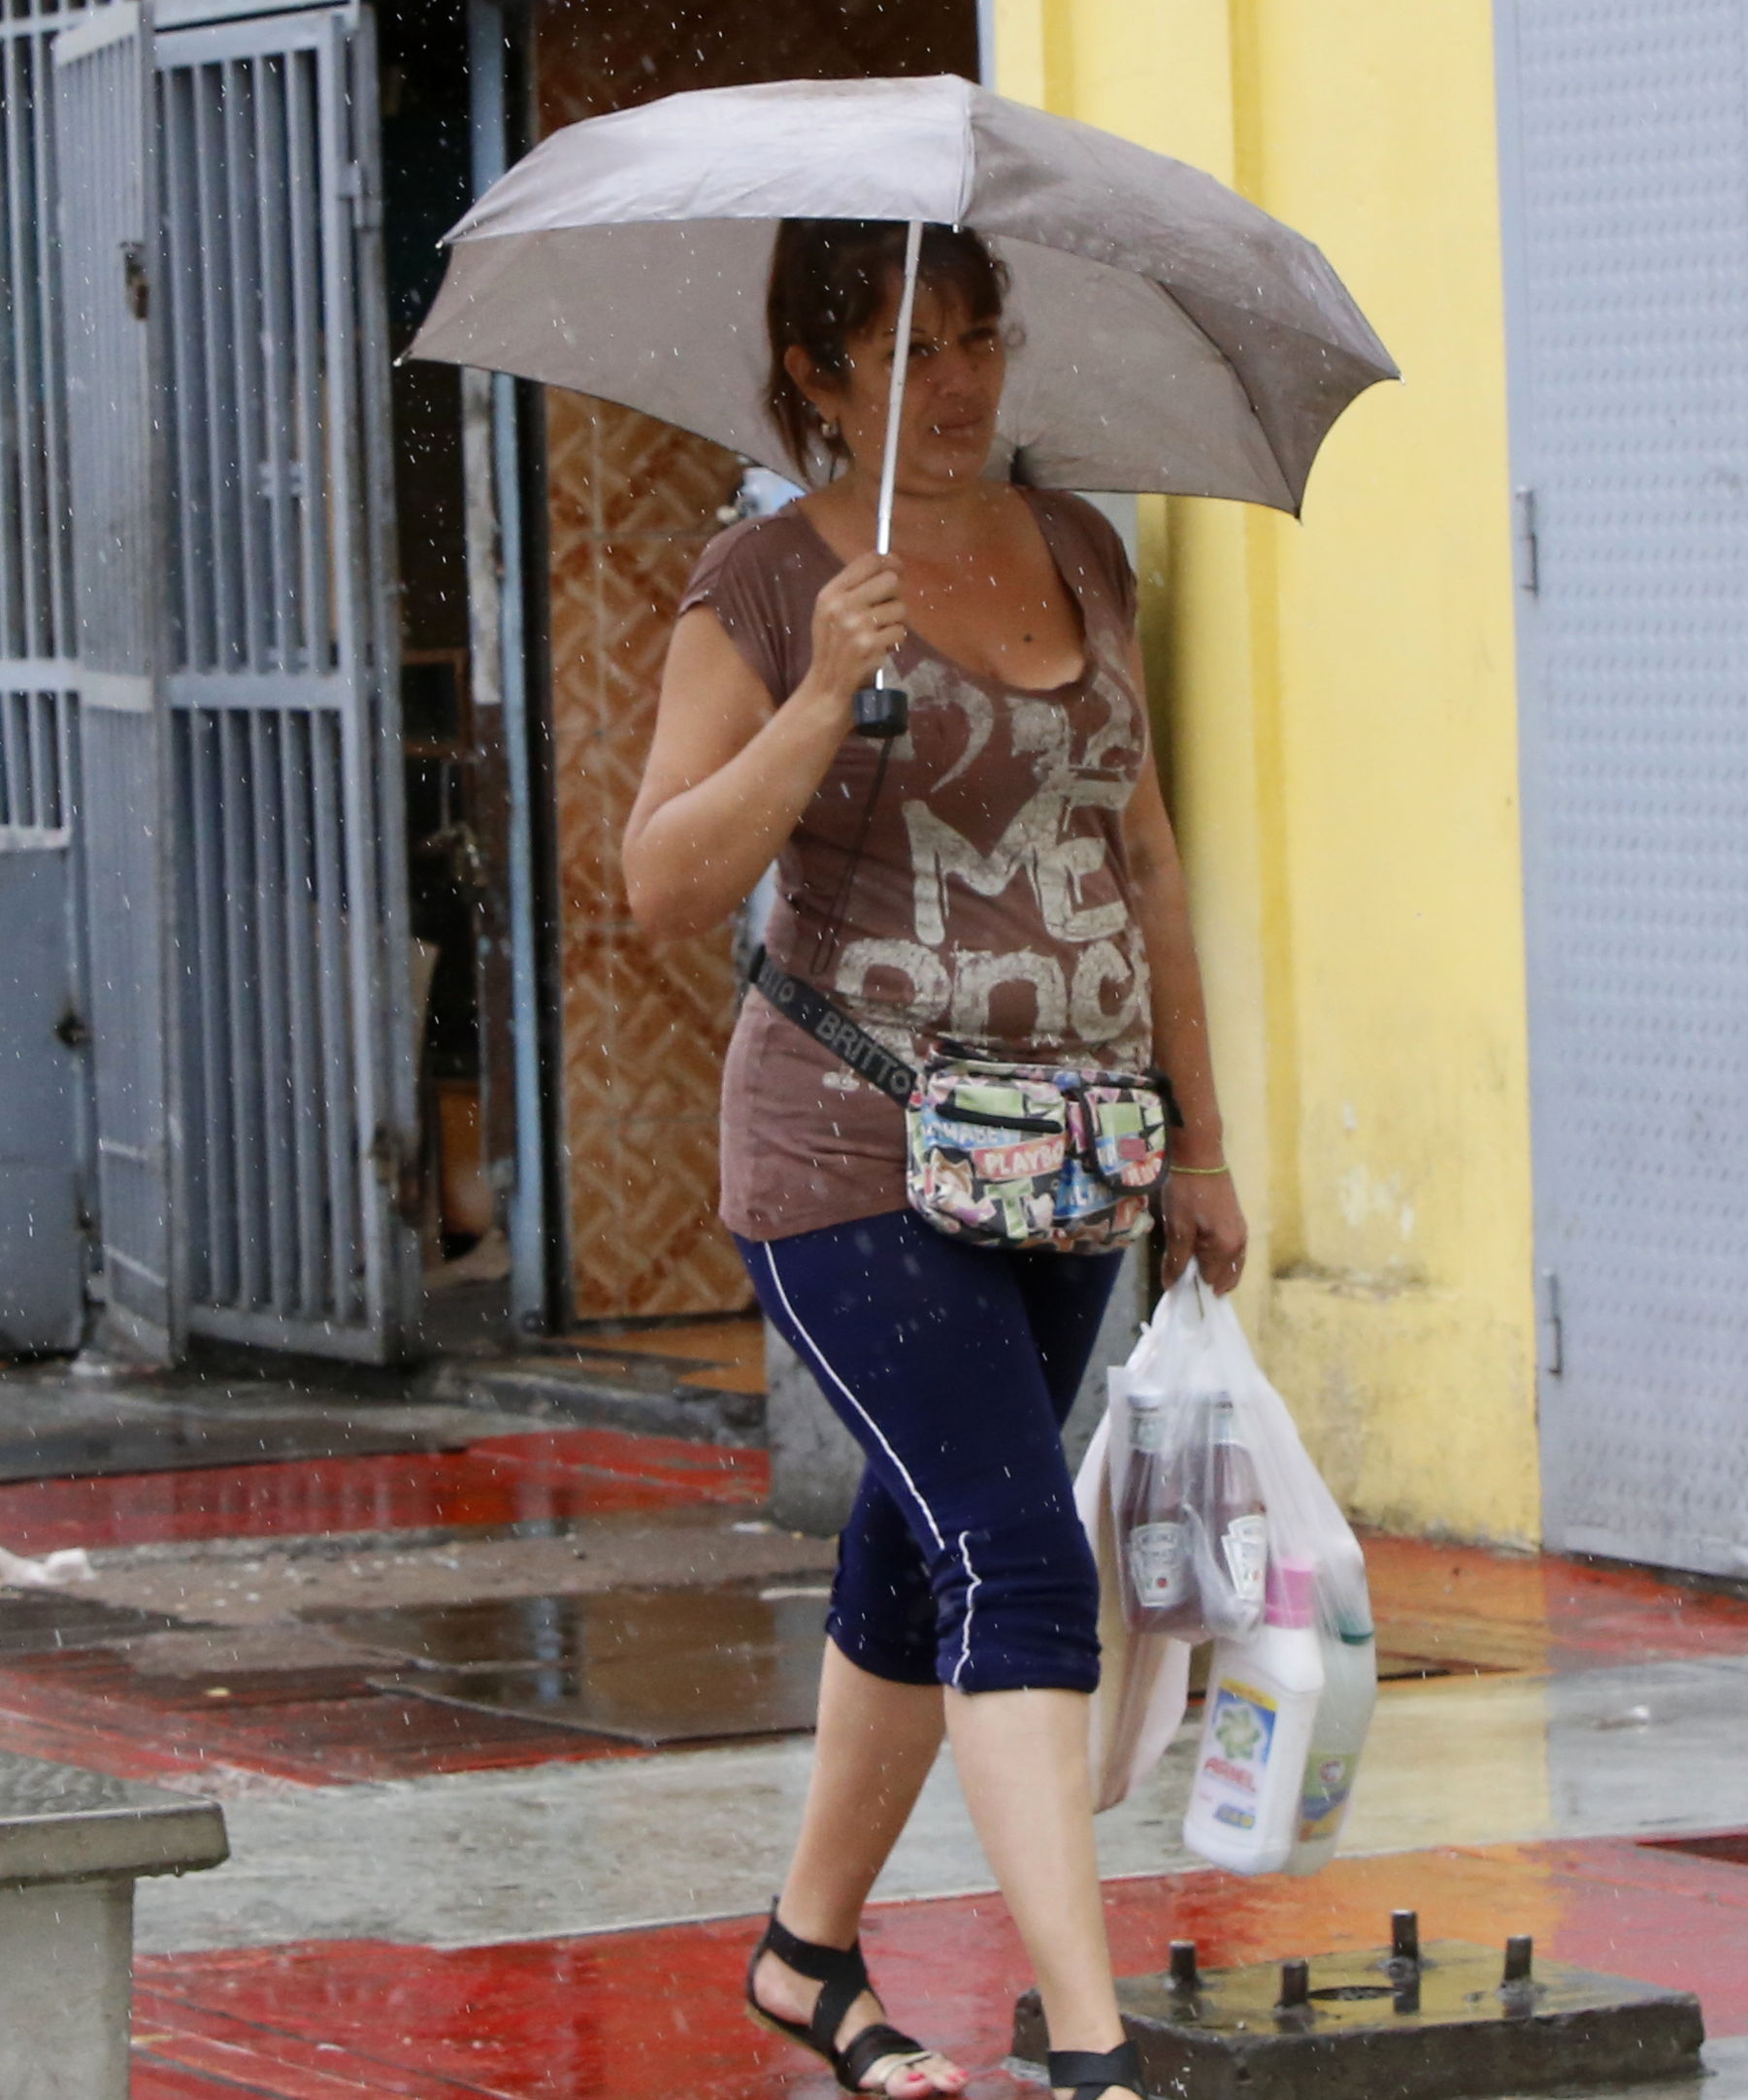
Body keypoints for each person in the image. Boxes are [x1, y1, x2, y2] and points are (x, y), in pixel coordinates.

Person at [622, 222, 1249, 2100]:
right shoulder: (760, 581)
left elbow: (1142, 855)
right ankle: (1087, 2037)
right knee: (1017, 1544)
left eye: (978, 340)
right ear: (817, 377)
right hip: (854, 1145)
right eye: (906, 352)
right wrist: (821, 693)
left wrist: (1203, 1133)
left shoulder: (1082, 552)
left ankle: (806, 1953)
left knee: (924, 1546)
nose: (958, 386)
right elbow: (660, 880)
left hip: (1071, 1157)